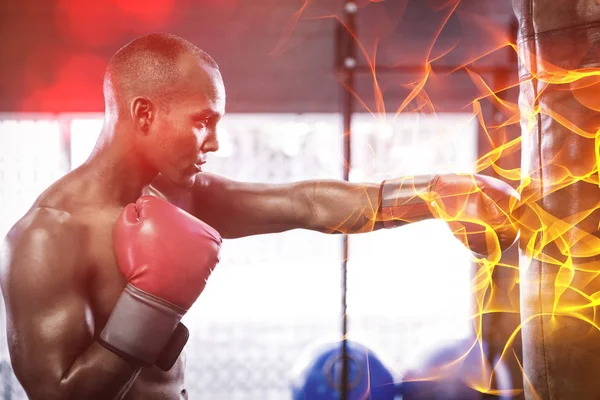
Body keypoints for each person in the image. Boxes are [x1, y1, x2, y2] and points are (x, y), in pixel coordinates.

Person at [0, 33, 519, 399]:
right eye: (202, 122)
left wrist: (434, 193)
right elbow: (60, 395)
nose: (216, 142)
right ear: (143, 114)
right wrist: (152, 304)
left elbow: (304, 203)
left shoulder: (177, 196)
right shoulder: (48, 235)